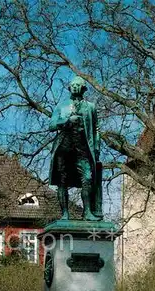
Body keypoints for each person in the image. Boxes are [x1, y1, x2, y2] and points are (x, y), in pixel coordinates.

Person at [49, 76, 103, 221]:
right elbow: (51, 125)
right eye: (72, 85)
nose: (74, 87)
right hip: (64, 147)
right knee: (62, 180)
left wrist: (97, 147)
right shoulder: (61, 106)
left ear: (83, 88)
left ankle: (87, 212)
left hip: (82, 148)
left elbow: (96, 129)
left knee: (87, 178)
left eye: (77, 85)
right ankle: (65, 214)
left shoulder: (90, 107)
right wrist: (67, 121)